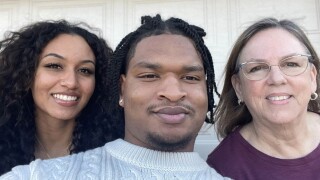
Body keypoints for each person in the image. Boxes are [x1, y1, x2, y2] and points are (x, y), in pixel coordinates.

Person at [1, 14, 229, 179]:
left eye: (190, 78)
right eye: (149, 75)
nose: (172, 92)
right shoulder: (34, 174)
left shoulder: (102, 134)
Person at [0, 20, 122, 175]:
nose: (71, 82)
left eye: (85, 70)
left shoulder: (116, 152)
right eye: (54, 66)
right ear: (26, 74)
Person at [206, 17, 320, 179]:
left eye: (291, 64)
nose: (276, 79)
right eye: (257, 68)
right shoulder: (221, 169)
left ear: (312, 78)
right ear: (239, 87)